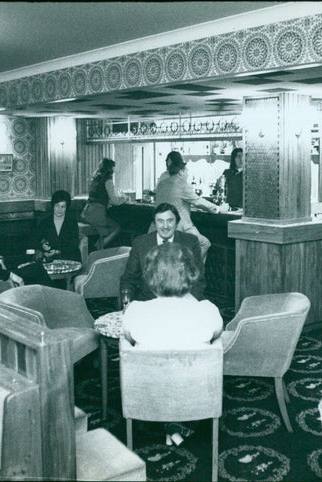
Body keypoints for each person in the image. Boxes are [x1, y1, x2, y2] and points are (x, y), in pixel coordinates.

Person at [121, 240, 223, 446]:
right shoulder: (208, 310)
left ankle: (167, 423)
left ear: (150, 276)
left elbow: (128, 339)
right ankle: (176, 423)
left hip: (148, 395)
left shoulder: (135, 310)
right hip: (195, 396)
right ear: (190, 274)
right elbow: (216, 334)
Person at [120, 202, 205, 302]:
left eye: (170, 221)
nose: (165, 226)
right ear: (154, 224)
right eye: (160, 221)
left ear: (177, 222)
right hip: (149, 303)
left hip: (182, 303)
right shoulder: (140, 243)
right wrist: (127, 302)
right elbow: (129, 279)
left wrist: (190, 304)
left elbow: (198, 280)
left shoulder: (190, 241)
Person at [154, 151, 228, 263]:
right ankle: (190, 272)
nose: (188, 174)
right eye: (186, 171)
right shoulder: (182, 185)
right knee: (204, 243)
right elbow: (199, 202)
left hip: (157, 230)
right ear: (181, 172)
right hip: (178, 230)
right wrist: (218, 208)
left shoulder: (161, 184)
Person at [81, 158, 125, 248]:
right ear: (110, 168)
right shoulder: (108, 181)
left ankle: (97, 246)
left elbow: (98, 195)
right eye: (113, 167)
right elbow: (115, 201)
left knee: (106, 228)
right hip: (97, 212)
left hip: (86, 211)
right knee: (116, 228)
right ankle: (98, 247)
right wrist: (124, 198)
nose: (115, 170)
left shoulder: (96, 179)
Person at [35, 190, 81, 262]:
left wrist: (57, 251)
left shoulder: (72, 222)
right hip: (50, 259)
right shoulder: (45, 222)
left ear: (67, 208)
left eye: (63, 207)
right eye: (57, 206)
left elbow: (74, 245)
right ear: (53, 206)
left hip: (69, 258)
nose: (59, 210)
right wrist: (43, 246)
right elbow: (35, 241)